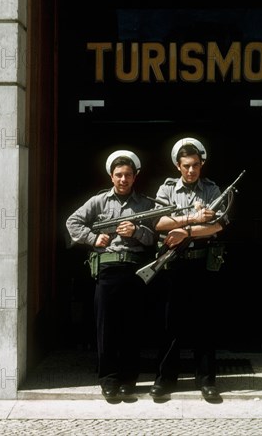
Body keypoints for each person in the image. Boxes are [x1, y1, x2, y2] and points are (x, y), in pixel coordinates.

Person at [66, 150, 156, 400]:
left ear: (135, 176)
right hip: (106, 271)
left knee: (132, 327)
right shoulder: (98, 202)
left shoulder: (146, 205)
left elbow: (154, 238)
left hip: (136, 271)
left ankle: (129, 380)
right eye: (119, 175)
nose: (123, 179)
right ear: (111, 176)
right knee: (107, 328)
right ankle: (108, 380)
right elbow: (72, 222)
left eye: (128, 175)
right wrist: (94, 238)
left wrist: (137, 231)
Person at [149, 137, 229, 402]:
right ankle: (164, 380)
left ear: (201, 164)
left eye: (195, 165)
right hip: (174, 265)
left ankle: (206, 381)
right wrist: (193, 220)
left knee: (204, 323)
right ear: (178, 166)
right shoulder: (167, 189)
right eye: (186, 166)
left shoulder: (211, 189)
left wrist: (184, 231)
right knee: (170, 324)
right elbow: (159, 222)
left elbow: (218, 225)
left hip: (202, 263)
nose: (191, 170)